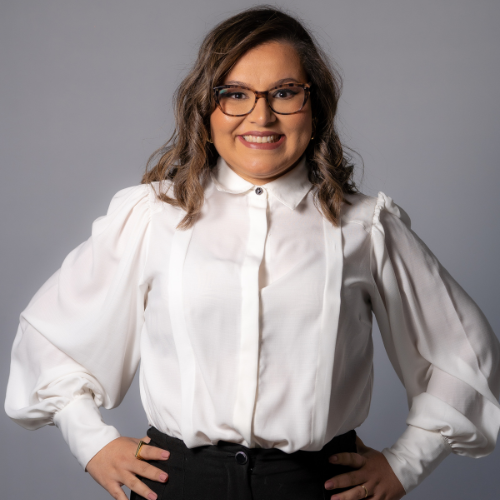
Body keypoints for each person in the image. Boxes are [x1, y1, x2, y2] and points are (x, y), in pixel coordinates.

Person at [5, 6, 500, 500]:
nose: (261, 116)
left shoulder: (365, 227)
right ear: (206, 108)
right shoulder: (153, 216)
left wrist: (406, 464)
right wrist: (91, 442)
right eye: (236, 94)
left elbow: (466, 354)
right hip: (178, 487)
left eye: (284, 92)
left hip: (316, 489)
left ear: (315, 106)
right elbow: (48, 339)